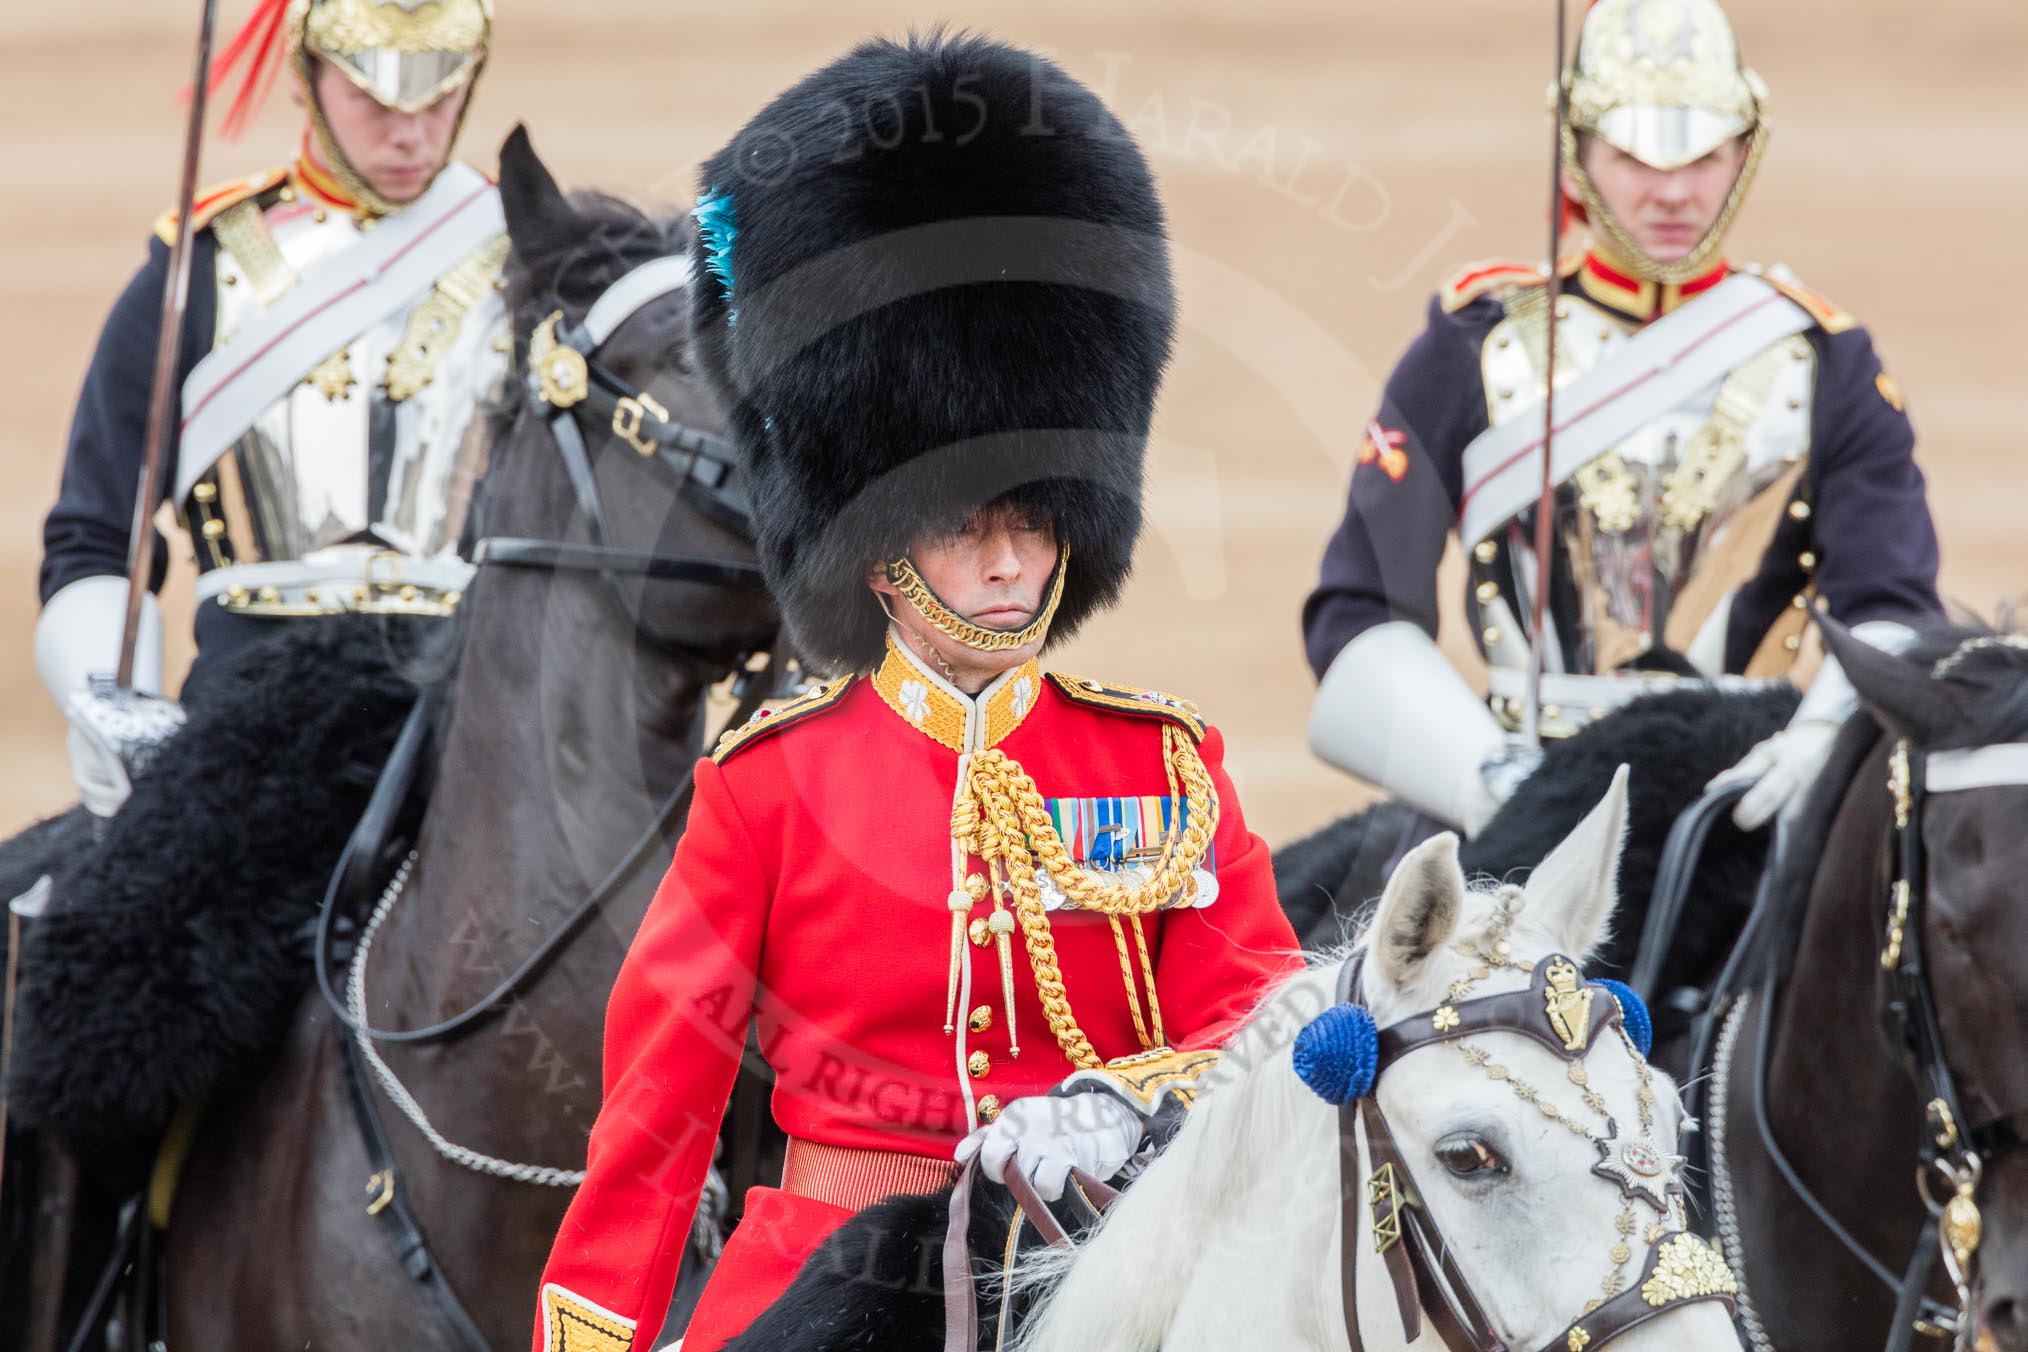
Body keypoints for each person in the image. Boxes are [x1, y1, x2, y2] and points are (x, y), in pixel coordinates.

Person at [531, 33, 1300, 1352]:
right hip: (825, 1292)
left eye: (1037, 523)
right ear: (880, 549)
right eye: (965, 523)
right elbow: (657, 1113)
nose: (1009, 561)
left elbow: (1267, 1029)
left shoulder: (1162, 770)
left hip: (1095, 1269)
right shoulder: (770, 785)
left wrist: (1125, 1107)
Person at [1302, 0, 1941, 837]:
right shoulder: (1471, 346)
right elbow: (1361, 609)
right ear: (1574, 153)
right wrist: (1490, 782)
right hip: (1513, 784)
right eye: (1634, 157)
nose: (1673, 192)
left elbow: (1891, 606)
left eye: (1706, 154)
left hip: (1751, 790)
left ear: (1748, 148)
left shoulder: (1829, 362)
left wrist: (1816, 746)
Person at [34, 0, 506, 816]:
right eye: (376, 103)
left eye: (439, 101)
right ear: (307, 78)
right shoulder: (199, 267)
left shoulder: (526, 257)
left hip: (476, 710)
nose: (412, 137)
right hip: (245, 713)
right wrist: (119, 706)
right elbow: (99, 534)